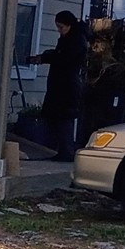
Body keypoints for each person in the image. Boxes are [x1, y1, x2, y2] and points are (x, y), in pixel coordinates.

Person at [32, 9, 89, 160]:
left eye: (61, 27)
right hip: (61, 85)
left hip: (67, 86)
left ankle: (66, 151)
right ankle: (61, 150)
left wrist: (47, 56)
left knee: (63, 118)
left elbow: (64, 59)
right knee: (56, 117)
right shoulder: (69, 40)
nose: (59, 30)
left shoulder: (76, 41)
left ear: (69, 25)